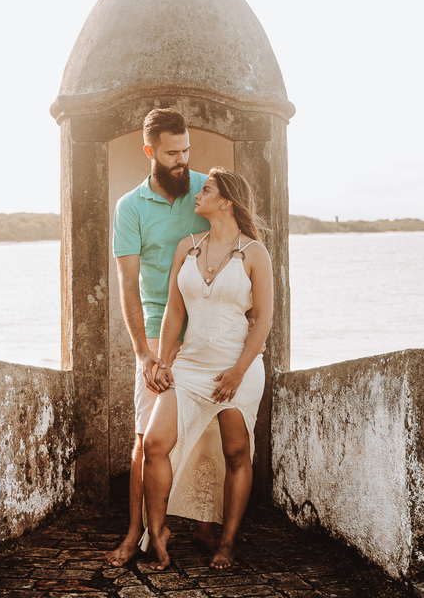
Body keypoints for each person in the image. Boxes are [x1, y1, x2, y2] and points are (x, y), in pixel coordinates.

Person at [142, 167, 272, 571]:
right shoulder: (188, 246)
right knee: (154, 444)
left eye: (207, 190)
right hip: (191, 365)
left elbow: (264, 320)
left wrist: (238, 371)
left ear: (226, 202)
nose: (198, 194)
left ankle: (227, 542)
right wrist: (164, 361)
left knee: (236, 453)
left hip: (237, 368)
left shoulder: (254, 253)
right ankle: (158, 534)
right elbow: (173, 311)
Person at [105, 108, 212, 568]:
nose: (182, 161)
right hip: (154, 334)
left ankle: (206, 525)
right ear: (149, 151)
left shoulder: (209, 190)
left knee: (209, 432)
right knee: (145, 438)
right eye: (172, 152)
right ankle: (136, 532)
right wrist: (144, 353)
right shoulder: (129, 207)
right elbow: (127, 284)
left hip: (206, 332)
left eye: (186, 150)